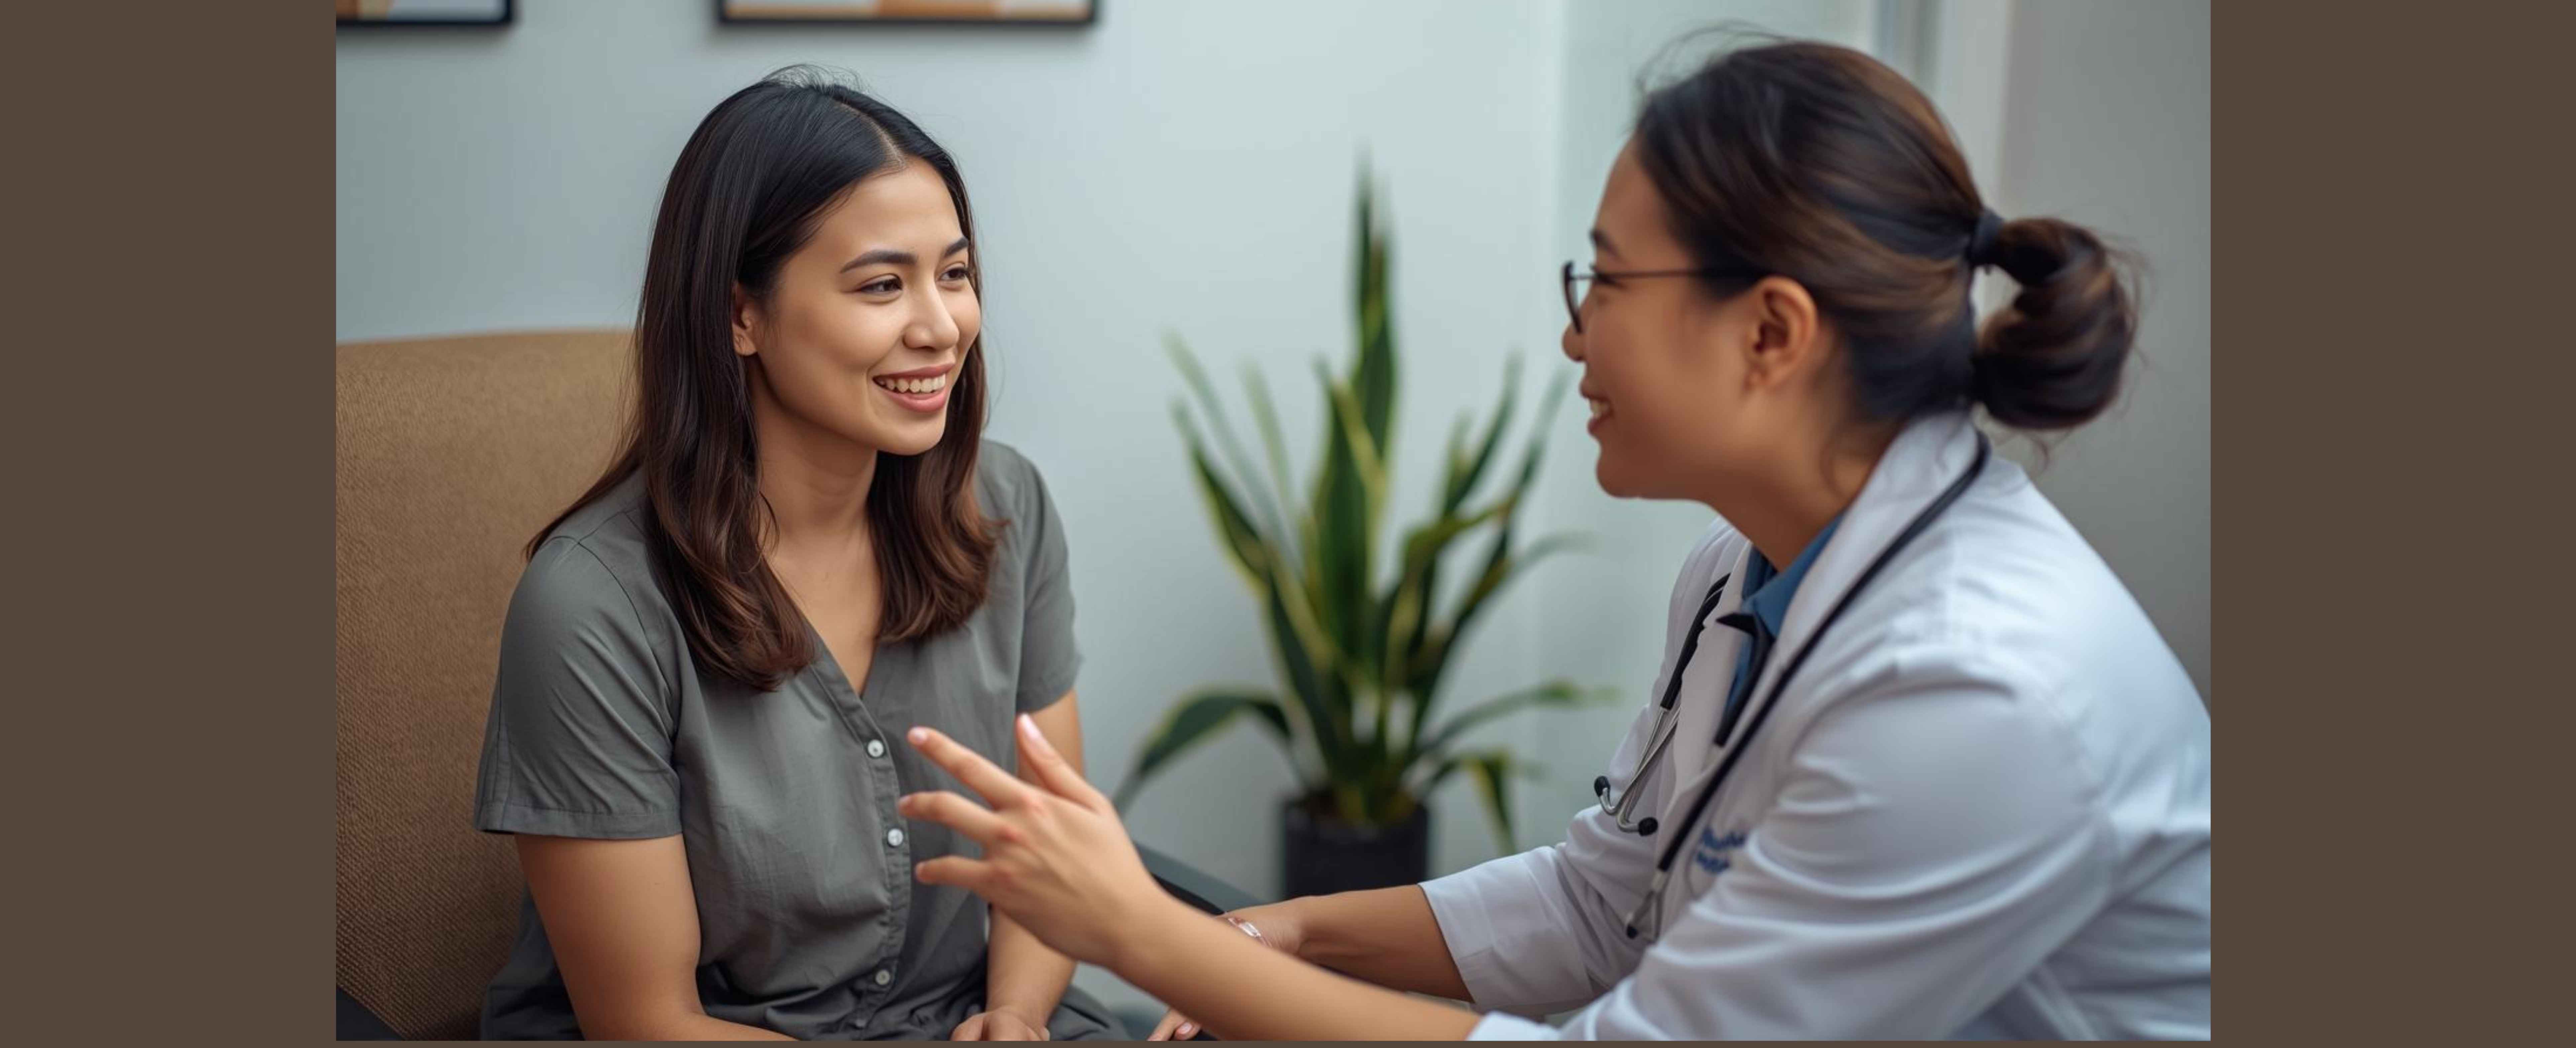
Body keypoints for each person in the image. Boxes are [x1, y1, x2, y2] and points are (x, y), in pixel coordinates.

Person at [892, 36, 2211, 1041]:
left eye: (1606, 279)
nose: (1574, 334)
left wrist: (1151, 938)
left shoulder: (1978, 693)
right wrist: (1275, 935)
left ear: (1770, 333)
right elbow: (1600, 903)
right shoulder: (1740, 574)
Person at [468, 68, 1120, 1041]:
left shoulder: (1007, 506)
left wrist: (1019, 1019)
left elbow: (1049, 853)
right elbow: (647, 1024)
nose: (941, 327)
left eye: (954, 273)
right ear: (741, 315)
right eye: (881, 285)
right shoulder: (592, 606)